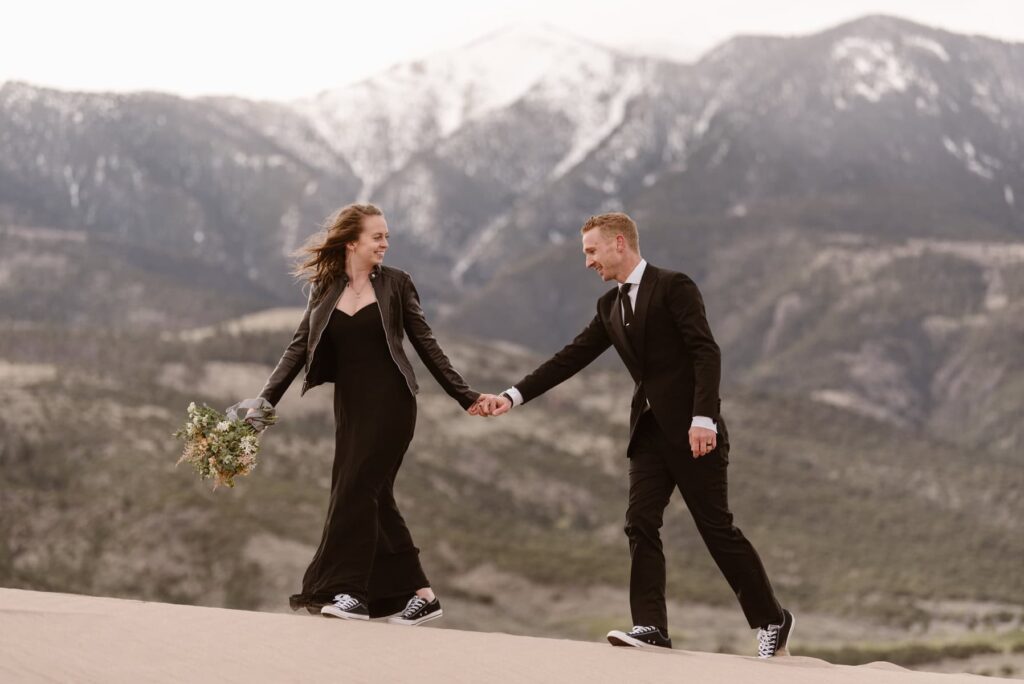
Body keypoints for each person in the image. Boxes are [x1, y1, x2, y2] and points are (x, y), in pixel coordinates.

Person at [475, 212, 794, 657]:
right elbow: (569, 358)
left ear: (619, 243)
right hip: (648, 435)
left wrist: (704, 419)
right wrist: (511, 397)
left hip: (692, 432)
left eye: (591, 251)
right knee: (640, 521)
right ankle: (650, 627)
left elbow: (706, 351)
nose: (587, 263)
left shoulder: (673, 287)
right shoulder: (609, 307)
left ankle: (772, 620)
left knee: (715, 529)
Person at [249, 202, 500, 626]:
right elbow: (298, 347)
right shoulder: (326, 286)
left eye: (386, 235)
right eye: (377, 236)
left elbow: (426, 344)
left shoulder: (397, 285)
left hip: (392, 404)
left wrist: (465, 395)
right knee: (374, 496)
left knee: (355, 492)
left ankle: (351, 593)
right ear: (352, 242)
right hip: (350, 408)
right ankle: (422, 596)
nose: (386, 242)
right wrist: (264, 401)